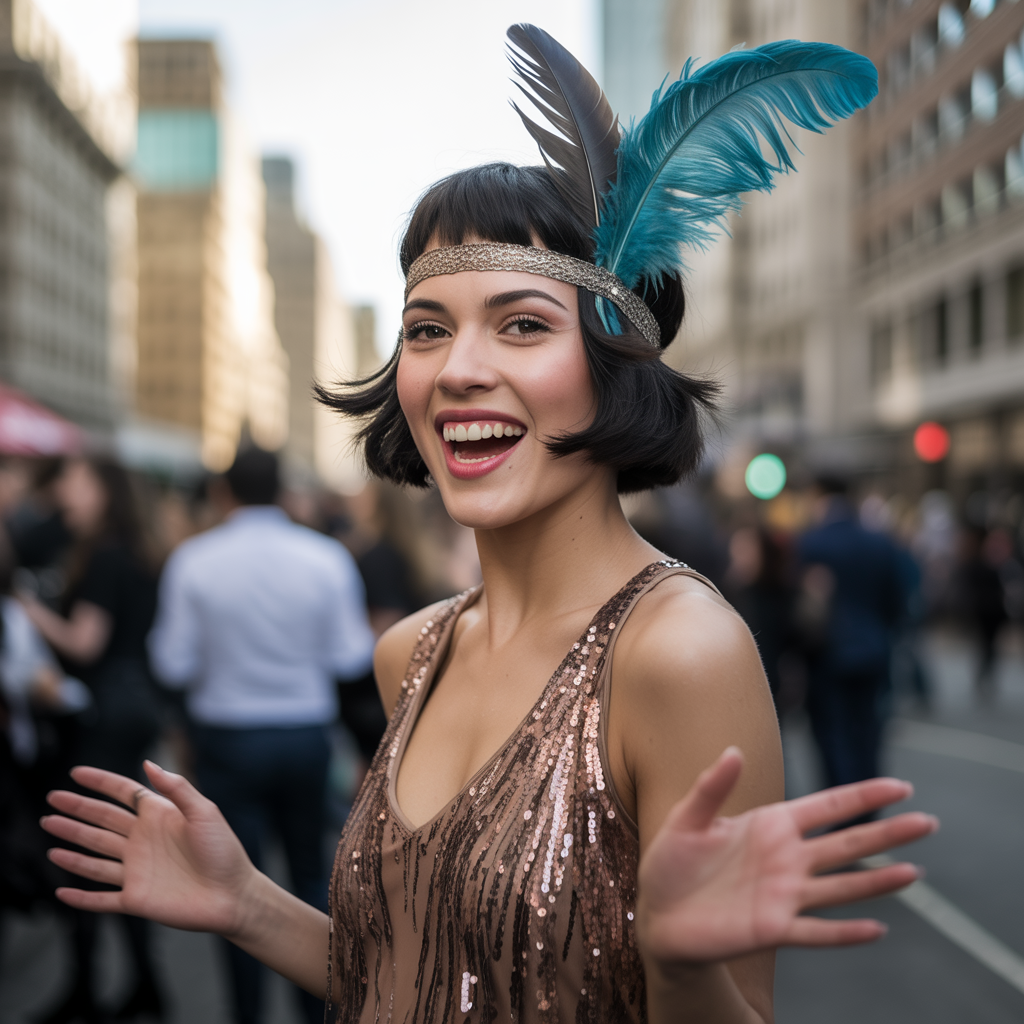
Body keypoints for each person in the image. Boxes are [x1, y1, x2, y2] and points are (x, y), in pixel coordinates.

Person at [38, 27, 936, 1024]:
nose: (457, 367)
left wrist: (680, 968)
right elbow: (418, 986)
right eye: (427, 328)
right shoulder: (409, 651)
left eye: (520, 324)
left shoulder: (678, 653)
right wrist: (247, 904)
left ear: (610, 369)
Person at [146, 445, 375, 1024]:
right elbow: (351, 656)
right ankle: (317, 1010)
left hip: (228, 737)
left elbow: (172, 663)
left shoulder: (194, 560)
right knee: (307, 875)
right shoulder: (325, 557)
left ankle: (247, 1013)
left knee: (232, 887)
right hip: (304, 733)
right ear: (281, 490)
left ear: (225, 493)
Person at [19, 456, 163, 1023]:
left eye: (75, 483)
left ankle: (89, 989)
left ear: (105, 490)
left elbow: (83, 643)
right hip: (132, 707)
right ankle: (141, 984)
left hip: (103, 714)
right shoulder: (133, 548)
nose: (64, 494)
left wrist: (29, 610)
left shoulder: (102, 555)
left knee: (89, 848)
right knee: (118, 845)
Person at [798, 477, 906, 794]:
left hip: (826, 653)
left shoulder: (810, 542)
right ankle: (868, 804)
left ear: (819, 496)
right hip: (873, 648)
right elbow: (896, 601)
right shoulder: (879, 542)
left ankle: (841, 805)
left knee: (833, 734)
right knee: (868, 731)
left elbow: (800, 607)